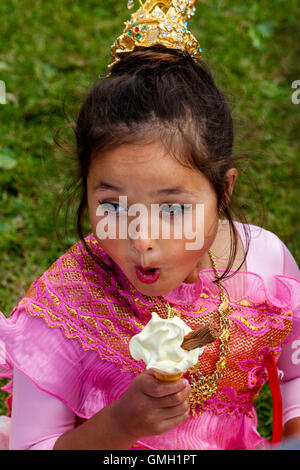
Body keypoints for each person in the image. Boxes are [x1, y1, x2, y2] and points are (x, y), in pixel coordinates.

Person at [0, 0, 300, 451]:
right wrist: (118, 427)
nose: (142, 239)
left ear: (224, 192)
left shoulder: (264, 264)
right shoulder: (65, 309)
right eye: (112, 205)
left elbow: (294, 371)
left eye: (173, 209)